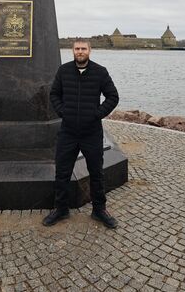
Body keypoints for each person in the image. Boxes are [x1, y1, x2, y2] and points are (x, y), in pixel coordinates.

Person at [43, 39, 119, 228]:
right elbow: (54, 94)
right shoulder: (64, 71)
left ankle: (99, 210)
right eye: (77, 48)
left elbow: (113, 96)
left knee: (96, 172)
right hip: (68, 132)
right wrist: (63, 112)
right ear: (73, 51)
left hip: (91, 132)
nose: (80, 51)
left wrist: (96, 114)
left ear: (89, 51)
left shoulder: (100, 72)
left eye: (83, 48)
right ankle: (61, 209)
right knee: (62, 172)